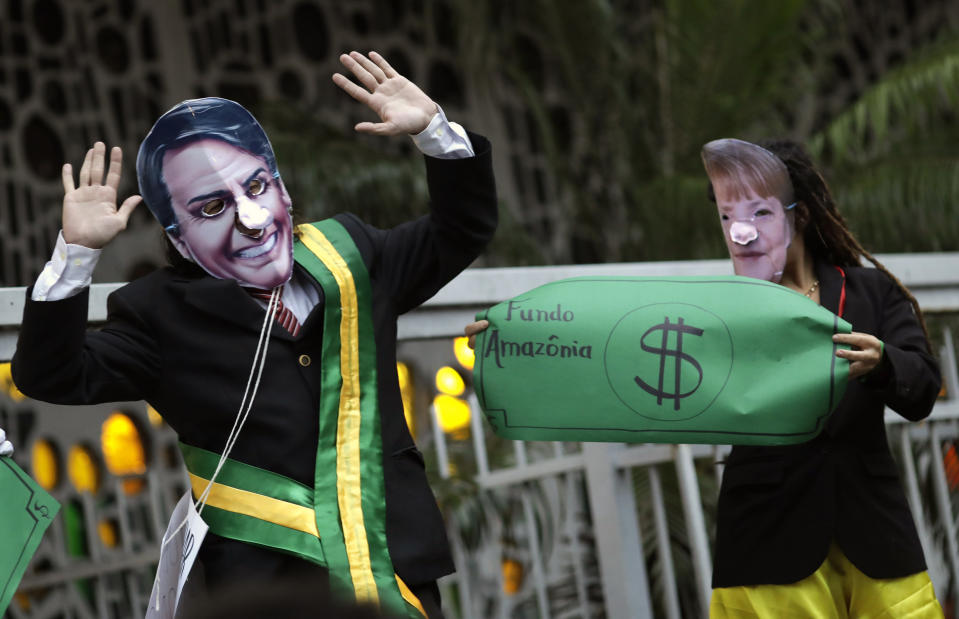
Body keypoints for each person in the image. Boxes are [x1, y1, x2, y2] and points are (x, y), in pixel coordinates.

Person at [12, 51, 497, 619]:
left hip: (393, 568)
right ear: (179, 238)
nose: (252, 218)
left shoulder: (352, 254)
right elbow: (50, 375)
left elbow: (462, 228)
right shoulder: (157, 314)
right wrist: (77, 257)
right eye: (214, 207)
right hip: (265, 592)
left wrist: (435, 133)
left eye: (258, 187)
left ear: (283, 190)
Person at [702, 138, 942, 616]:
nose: (741, 231)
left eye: (760, 214)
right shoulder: (720, 309)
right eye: (729, 217)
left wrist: (883, 362)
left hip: (874, 531)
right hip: (769, 536)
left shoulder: (871, 291)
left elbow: (922, 388)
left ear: (801, 215)